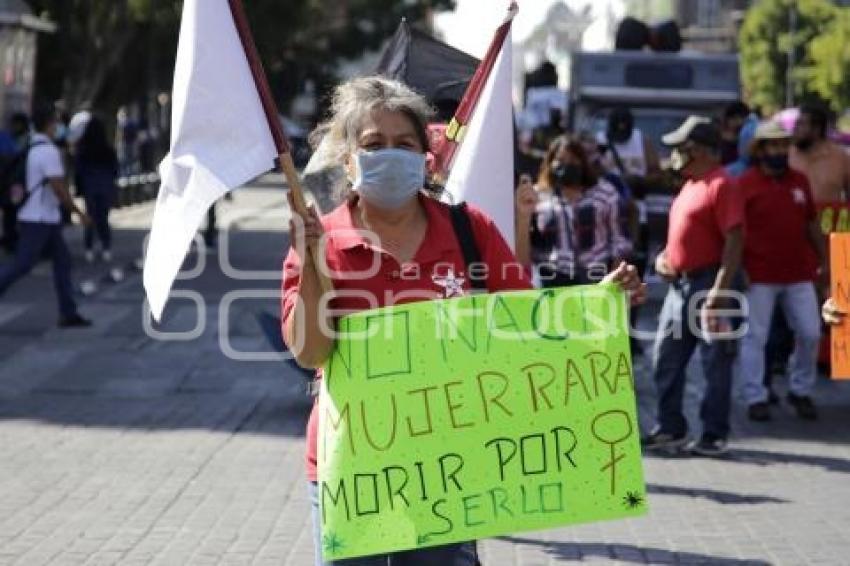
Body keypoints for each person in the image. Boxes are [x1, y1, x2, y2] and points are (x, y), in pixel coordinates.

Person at [280, 76, 646, 566]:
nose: (390, 153)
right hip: (351, 472)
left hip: (448, 470)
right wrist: (309, 262)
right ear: (348, 159)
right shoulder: (320, 238)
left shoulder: (469, 230)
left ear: (425, 157)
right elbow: (309, 353)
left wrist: (602, 305)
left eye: (404, 144)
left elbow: (526, 328)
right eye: (373, 144)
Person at [642, 116, 744, 457]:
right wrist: (663, 259)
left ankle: (714, 433)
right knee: (665, 359)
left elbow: (734, 238)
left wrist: (719, 290)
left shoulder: (721, 184)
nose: (673, 154)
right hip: (680, 288)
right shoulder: (690, 185)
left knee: (716, 363)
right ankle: (670, 427)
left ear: (696, 149)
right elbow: (682, 237)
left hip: (709, 286)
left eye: (679, 148)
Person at [736, 121, 825, 421]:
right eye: (773, 145)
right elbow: (736, 232)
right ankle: (755, 396)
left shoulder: (799, 180)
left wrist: (824, 259)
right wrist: (739, 268)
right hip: (758, 273)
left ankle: (800, 389)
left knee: (811, 333)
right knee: (755, 337)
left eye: (783, 145)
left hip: (799, 271)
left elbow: (811, 222)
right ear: (761, 150)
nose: (780, 150)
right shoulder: (745, 184)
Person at [0, 106, 92, 327]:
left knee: (63, 262)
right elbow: (59, 188)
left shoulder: (33, 146)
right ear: (49, 125)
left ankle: (68, 313)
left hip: (43, 218)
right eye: (56, 124)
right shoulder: (47, 151)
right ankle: (68, 312)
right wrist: (79, 213)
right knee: (22, 264)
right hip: (38, 219)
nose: (59, 128)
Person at [514, 134, 632, 287]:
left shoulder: (605, 194)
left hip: (594, 278)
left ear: (583, 163)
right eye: (561, 161)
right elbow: (522, 253)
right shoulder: (536, 198)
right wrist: (523, 216)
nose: (567, 166)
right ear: (550, 164)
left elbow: (620, 244)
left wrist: (612, 284)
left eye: (573, 161)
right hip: (549, 281)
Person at [74, 116, 119, 263]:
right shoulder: (108, 149)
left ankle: (89, 249)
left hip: (90, 187)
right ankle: (106, 248)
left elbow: (78, 172)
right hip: (105, 186)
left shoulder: (83, 149)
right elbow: (115, 170)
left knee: (90, 218)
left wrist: (79, 189)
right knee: (103, 218)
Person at [791, 103, 850, 204]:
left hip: (827, 218)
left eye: (801, 124)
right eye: (796, 124)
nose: (795, 130)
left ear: (816, 129)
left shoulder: (840, 158)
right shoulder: (788, 155)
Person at [0, 113, 31, 253]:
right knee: (11, 213)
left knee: (13, 213)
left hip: (15, 184)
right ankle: (10, 241)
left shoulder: (27, 140)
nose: (14, 127)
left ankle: (12, 240)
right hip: (11, 184)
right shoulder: (7, 139)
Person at [719, 101, 751, 166]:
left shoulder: (748, 139)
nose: (739, 122)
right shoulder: (717, 137)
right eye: (735, 118)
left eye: (742, 118)